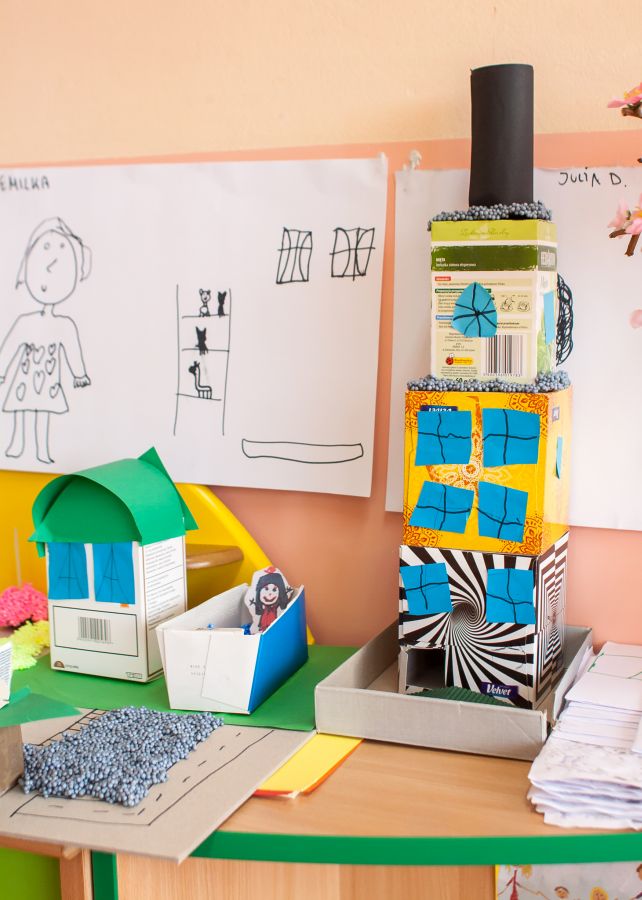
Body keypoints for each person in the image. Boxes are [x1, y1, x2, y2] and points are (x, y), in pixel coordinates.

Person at [0, 218, 91, 463]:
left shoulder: (65, 325)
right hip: (25, 377)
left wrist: (79, 375)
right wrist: (2, 370)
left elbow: (72, 349)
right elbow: (11, 345)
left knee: (43, 413)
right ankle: (17, 444)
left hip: (48, 380)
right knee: (21, 409)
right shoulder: (24, 321)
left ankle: (42, 450)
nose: (51, 266)